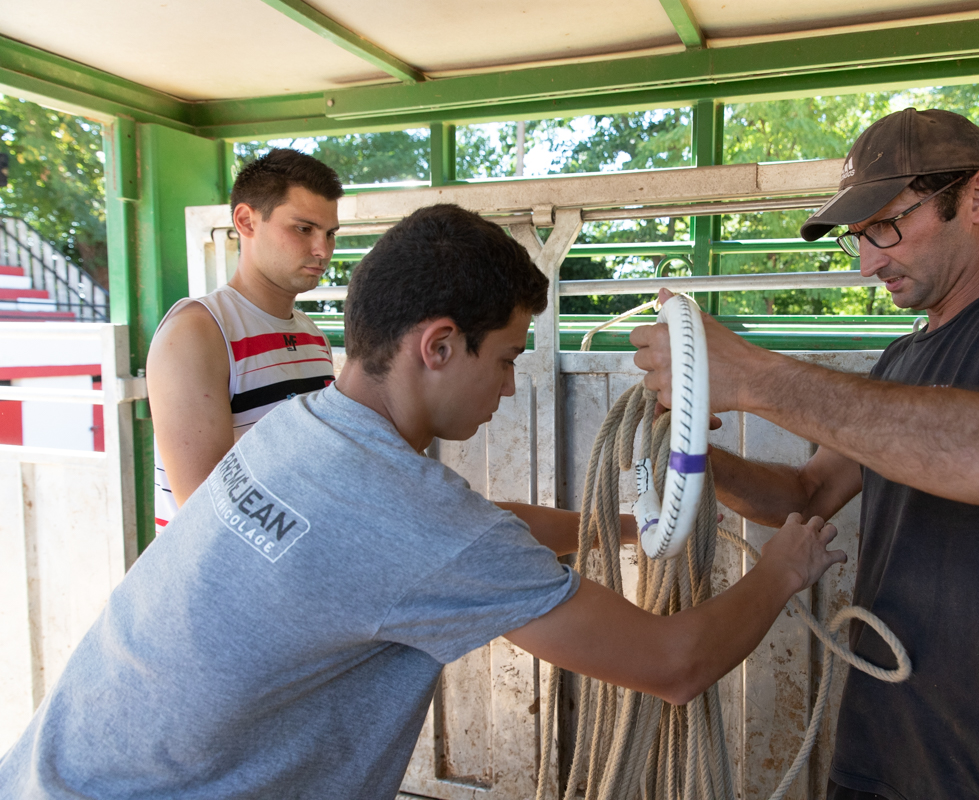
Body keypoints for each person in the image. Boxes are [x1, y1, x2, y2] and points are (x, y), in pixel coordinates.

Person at [0, 204, 848, 800]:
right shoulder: (409, 520)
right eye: (509, 357)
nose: (511, 388)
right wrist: (782, 569)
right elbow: (675, 666)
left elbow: (477, 531)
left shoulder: (298, 431)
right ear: (439, 345)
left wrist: (630, 529)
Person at [631, 108, 979, 800]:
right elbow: (808, 494)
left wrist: (757, 376)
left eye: (886, 226)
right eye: (858, 237)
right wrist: (694, 454)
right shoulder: (901, 358)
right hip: (876, 753)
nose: (870, 261)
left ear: (978, 198)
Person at [146, 148, 343, 537]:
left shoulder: (311, 334)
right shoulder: (198, 331)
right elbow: (210, 506)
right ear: (246, 221)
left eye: (330, 234)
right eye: (303, 229)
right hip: (217, 584)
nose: (323, 250)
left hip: (288, 570)